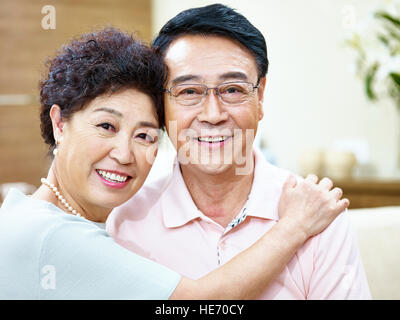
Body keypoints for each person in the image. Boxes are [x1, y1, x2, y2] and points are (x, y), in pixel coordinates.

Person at [0, 27, 348, 300]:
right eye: (107, 126)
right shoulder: (56, 235)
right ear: (60, 124)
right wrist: (295, 226)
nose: (124, 154)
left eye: (145, 136)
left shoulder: (30, 215)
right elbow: (202, 300)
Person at [106, 4, 371, 299]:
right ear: (160, 105)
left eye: (232, 90)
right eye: (189, 92)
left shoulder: (318, 213)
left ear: (260, 97)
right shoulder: (126, 223)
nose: (213, 114)